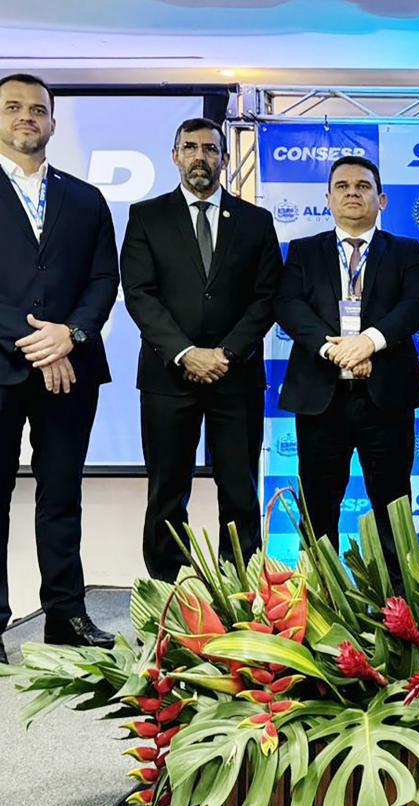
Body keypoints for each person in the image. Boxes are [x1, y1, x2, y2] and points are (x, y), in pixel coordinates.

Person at [121, 118, 281, 582]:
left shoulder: (255, 221)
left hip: (236, 376)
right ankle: (170, 590)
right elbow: (140, 294)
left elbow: (267, 296)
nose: (200, 157)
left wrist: (225, 354)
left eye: (210, 149)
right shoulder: (146, 216)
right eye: (190, 147)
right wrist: (186, 353)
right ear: (175, 156)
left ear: (225, 159)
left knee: (240, 490)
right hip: (168, 378)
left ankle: (242, 588)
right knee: (167, 492)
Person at [0, 73, 117, 661]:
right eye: (13, 107)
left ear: (52, 121)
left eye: (38, 109)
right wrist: (37, 343)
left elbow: (104, 278)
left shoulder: (86, 197)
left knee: (62, 495)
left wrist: (69, 335)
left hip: (73, 368)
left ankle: (66, 614)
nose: (27, 116)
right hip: (4, 364)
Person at [274, 155, 419, 576]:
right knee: (318, 511)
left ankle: (400, 602)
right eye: (342, 186)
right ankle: (322, 598)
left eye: (363, 186)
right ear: (328, 199)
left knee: (393, 510)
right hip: (321, 400)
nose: (352, 193)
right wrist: (335, 351)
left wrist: (368, 342)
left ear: (382, 199)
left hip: (386, 401)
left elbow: (417, 304)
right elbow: (288, 306)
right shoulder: (304, 251)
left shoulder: (405, 250)